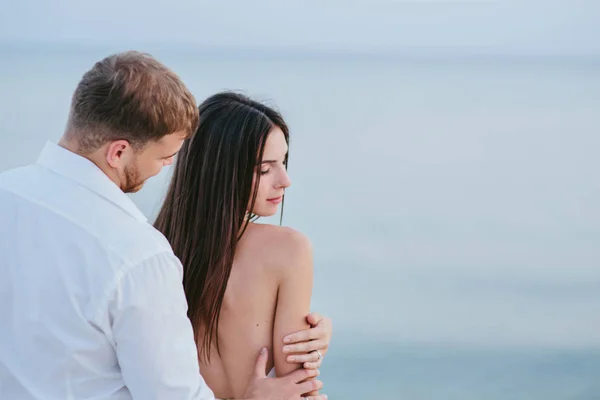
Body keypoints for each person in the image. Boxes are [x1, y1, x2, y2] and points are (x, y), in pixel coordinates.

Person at [0, 51, 329, 400]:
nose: (285, 181)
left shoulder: (156, 242)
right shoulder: (140, 255)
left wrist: (315, 335)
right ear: (118, 152)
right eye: (264, 169)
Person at [154, 92, 328, 400]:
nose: (285, 180)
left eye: (283, 162)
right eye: (265, 169)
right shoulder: (289, 250)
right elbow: (297, 387)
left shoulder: (153, 250)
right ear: (220, 172)